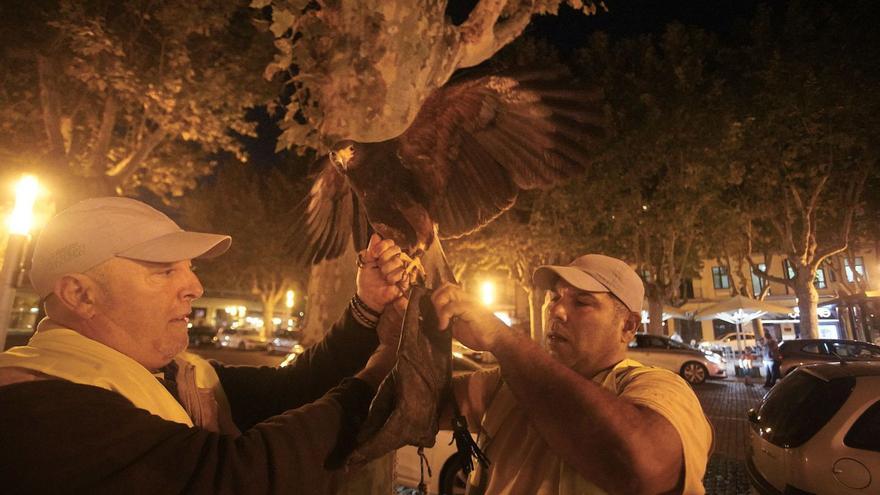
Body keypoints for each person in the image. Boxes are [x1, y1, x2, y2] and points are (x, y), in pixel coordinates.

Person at [0, 197, 409, 494]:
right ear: (79, 294)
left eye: (190, 268)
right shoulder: (33, 406)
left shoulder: (180, 377)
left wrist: (367, 307)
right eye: (163, 272)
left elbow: (294, 389)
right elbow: (232, 478)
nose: (194, 287)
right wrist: (382, 374)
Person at [432, 254, 713, 495]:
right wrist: (402, 314)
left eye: (581, 302)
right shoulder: (505, 384)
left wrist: (502, 339)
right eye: (555, 297)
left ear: (628, 325)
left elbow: (645, 466)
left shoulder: (661, 388)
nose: (556, 310)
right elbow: (418, 407)